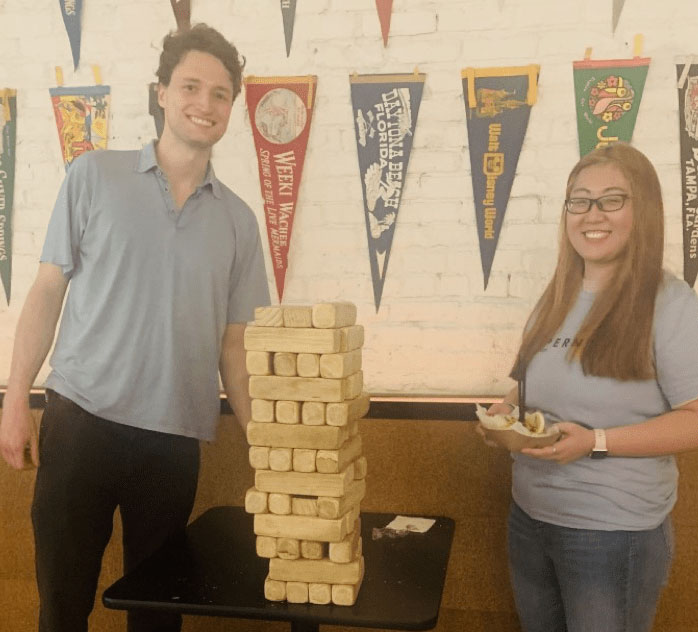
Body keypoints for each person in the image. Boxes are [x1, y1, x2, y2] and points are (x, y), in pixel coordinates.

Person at [0, 24, 270, 632]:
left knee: (157, 620)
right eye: (191, 87)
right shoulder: (94, 176)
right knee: (62, 609)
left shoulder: (240, 223)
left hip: (172, 444)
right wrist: (15, 398)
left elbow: (235, 347)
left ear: (232, 108)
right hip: (79, 426)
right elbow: (46, 292)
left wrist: (261, 442)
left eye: (221, 94)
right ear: (162, 94)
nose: (205, 103)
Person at [481, 143, 698, 632]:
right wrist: (503, 412)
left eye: (611, 199)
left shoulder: (671, 303)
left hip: (613, 534)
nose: (591, 214)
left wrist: (595, 442)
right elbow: (526, 380)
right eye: (579, 200)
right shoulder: (556, 295)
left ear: (641, 210)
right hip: (530, 517)